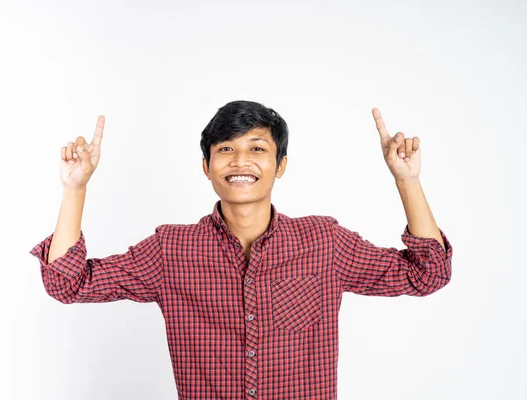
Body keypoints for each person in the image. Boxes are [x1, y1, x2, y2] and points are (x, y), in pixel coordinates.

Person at [30, 100, 453, 399]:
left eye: (257, 149)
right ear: (207, 166)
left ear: (280, 165)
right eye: (226, 149)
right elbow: (69, 284)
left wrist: (406, 180)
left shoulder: (323, 242)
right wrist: (75, 188)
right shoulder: (172, 250)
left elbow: (427, 274)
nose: (240, 161)